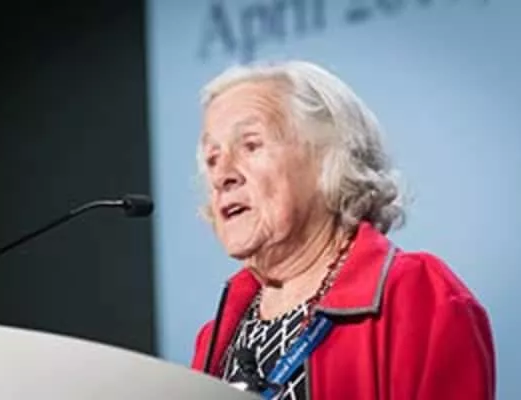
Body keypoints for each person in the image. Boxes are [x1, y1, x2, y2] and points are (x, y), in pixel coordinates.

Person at [190, 60, 495, 400]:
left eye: (251, 145)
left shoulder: (417, 298)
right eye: (212, 158)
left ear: (329, 158)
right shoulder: (214, 340)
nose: (222, 176)